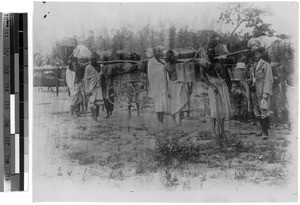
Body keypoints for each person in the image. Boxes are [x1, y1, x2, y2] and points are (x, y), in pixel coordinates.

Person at [200, 47, 231, 139]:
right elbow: (202, 77)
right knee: (214, 108)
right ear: (207, 53)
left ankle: (222, 131)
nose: (212, 55)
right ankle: (214, 131)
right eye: (210, 53)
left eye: (213, 53)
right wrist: (212, 86)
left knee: (221, 108)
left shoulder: (217, 62)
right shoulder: (203, 63)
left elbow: (222, 73)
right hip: (212, 85)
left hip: (221, 84)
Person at [249, 47, 273, 138]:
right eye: (254, 54)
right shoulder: (253, 66)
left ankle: (265, 132)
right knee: (256, 110)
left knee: (264, 110)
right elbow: (253, 79)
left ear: (261, 54)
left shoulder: (266, 65)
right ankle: (260, 129)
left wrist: (266, 93)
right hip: (254, 91)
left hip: (262, 91)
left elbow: (268, 79)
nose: (255, 56)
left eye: (257, 54)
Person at [165, 50, 189, 126]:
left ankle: (180, 122)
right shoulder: (166, 66)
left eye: (173, 56)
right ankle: (174, 121)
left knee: (181, 103)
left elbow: (185, 64)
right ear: (169, 58)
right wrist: (167, 90)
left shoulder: (178, 64)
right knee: (173, 104)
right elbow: (166, 79)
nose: (173, 58)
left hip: (179, 84)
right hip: (172, 85)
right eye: (171, 56)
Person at [147, 46, 169, 124]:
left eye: (160, 51)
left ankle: (162, 120)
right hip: (156, 85)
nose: (159, 53)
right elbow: (150, 74)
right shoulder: (151, 62)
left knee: (163, 103)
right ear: (154, 53)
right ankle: (158, 120)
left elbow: (166, 72)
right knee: (157, 103)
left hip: (163, 84)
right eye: (157, 51)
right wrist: (161, 69)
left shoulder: (163, 61)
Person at [84, 52, 104, 122]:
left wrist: (100, 75)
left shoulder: (99, 66)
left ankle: (96, 116)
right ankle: (94, 117)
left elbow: (102, 74)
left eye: (94, 59)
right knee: (92, 102)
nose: (93, 61)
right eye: (91, 59)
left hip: (98, 86)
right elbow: (86, 79)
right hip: (91, 87)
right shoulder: (88, 67)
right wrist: (87, 89)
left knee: (97, 102)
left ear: (97, 60)